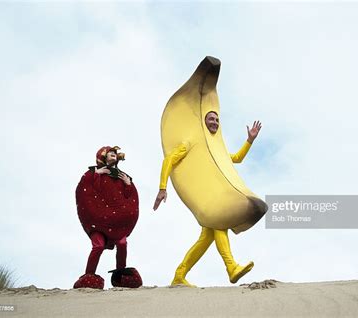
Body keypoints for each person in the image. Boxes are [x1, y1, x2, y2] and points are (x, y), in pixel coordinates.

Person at [154, 112, 262, 287]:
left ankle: (179, 276)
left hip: (214, 196)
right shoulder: (191, 141)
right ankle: (231, 267)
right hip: (203, 197)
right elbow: (169, 160)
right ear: (203, 122)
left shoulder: (215, 148)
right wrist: (162, 187)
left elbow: (236, 158)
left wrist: (249, 140)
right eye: (211, 119)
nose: (215, 122)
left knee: (205, 239)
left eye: (217, 119)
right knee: (220, 224)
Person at [74, 146, 141, 289]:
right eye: (110, 154)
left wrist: (128, 184)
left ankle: (120, 276)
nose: (113, 156)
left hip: (116, 223)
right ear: (103, 156)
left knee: (122, 243)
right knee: (98, 245)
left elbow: (129, 196)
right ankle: (89, 276)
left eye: (115, 155)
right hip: (98, 222)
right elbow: (86, 191)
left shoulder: (122, 176)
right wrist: (96, 175)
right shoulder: (92, 173)